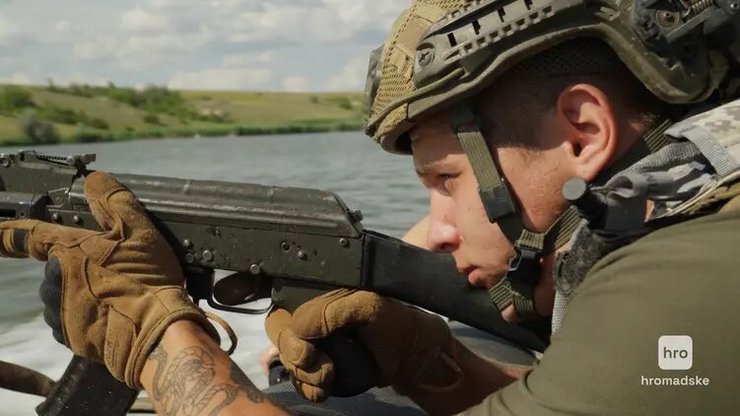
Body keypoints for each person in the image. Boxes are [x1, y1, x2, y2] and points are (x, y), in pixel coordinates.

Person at [1, 0, 739, 415]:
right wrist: (426, 357)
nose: (437, 230)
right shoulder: (674, 220)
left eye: (446, 180)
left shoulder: (686, 279)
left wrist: (160, 339)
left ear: (582, 133)